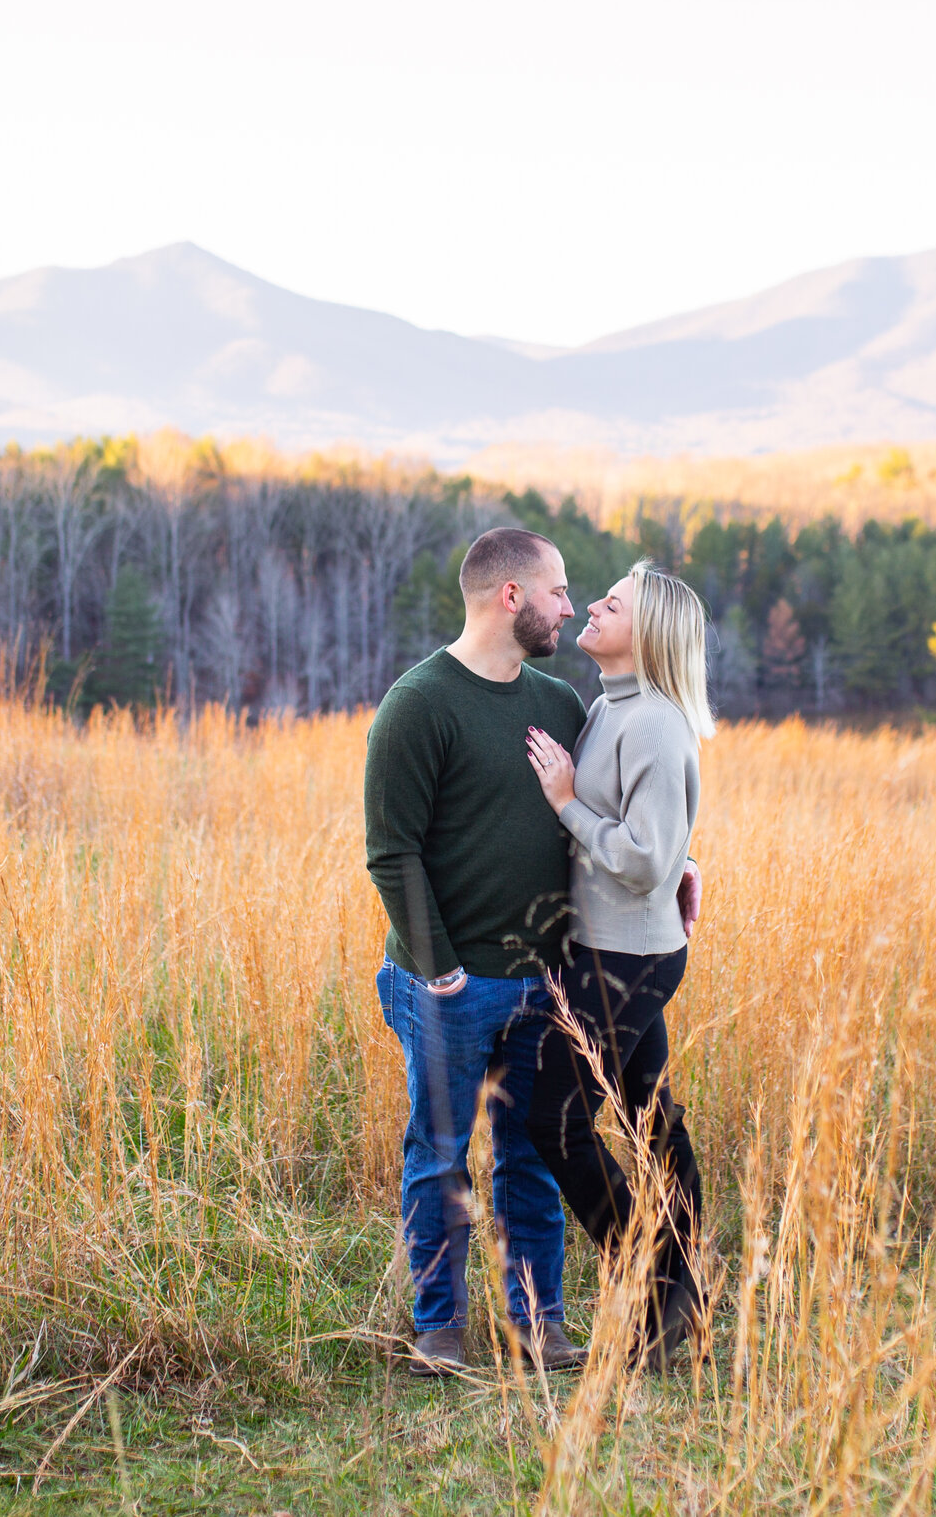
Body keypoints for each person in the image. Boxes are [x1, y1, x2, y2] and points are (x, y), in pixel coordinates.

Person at [363, 526, 588, 1376]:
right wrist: (443, 969)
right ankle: (440, 1330)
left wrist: (673, 857)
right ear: (512, 596)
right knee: (440, 1156)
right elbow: (392, 851)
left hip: (544, 985)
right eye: (559, 590)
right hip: (445, 988)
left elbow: (597, 820)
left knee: (532, 1152)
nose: (570, 604)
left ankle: (541, 1326)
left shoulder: (561, 704)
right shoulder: (418, 704)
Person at [518, 560, 712, 1368]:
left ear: (649, 633)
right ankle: (681, 1309)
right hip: (615, 945)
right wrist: (679, 861)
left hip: (626, 957)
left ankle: (646, 1284)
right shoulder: (610, 708)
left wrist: (565, 800)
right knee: (651, 1121)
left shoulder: (656, 724)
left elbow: (638, 855)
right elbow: (655, 838)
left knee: (556, 1120)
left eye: (613, 602)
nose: (592, 604)